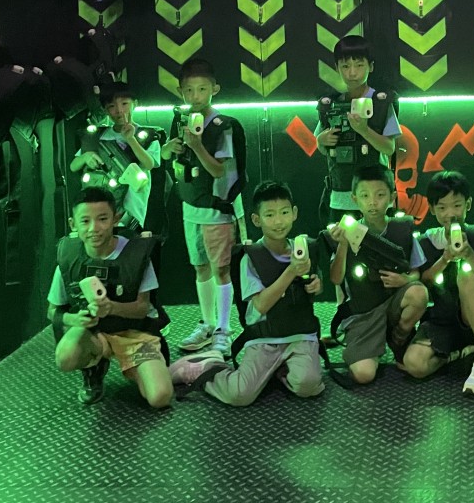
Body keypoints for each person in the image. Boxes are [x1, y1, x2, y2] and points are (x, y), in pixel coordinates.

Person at [171, 182, 326, 406]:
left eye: (284, 213)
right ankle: (206, 367)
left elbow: (314, 286)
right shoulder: (252, 257)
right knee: (240, 395)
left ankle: (280, 370)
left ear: (294, 213)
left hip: (300, 335)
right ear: (256, 219)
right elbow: (260, 305)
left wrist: (316, 285)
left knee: (309, 385)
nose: (279, 221)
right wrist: (291, 271)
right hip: (265, 338)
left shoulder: (305, 248)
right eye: (270, 215)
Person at [46, 186, 173, 408]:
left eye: (102, 219)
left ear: (116, 219)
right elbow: (52, 310)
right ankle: (94, 368)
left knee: (159, 397)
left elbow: (142, 308)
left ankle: (137, 367)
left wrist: (111, 308)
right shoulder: (68, 259)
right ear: (73, 224)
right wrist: (73, 319)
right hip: (93, 333)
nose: (94, 228)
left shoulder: (137, 255)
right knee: (65, 356)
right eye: (85, 221)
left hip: (134, 334)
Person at [165, 59, 247, 359]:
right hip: (191, 207)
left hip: (217, 211)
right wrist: (169, 149)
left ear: (215, 89)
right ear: (180, 91)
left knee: (221, 269)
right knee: (200, 268)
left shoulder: (223, 126)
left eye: (202, 89)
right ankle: (208, 323)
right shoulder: (180, 120)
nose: (195, 96)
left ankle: (225, 328)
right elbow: (168, 158)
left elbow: (218, 170)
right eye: (189, 90)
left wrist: (197, 145)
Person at [402, 171, 474, 396]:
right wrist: (445, 258)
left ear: (468, 204)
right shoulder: (426, 240)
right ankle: (460, 355)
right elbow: (423, 283)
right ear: (432, 209)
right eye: (442, 208)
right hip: (442, 320)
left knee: (466, 275)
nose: (450, 214)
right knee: (414, 364)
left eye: (457, 206)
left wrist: (469, 255)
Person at [324, 165, 428, 383]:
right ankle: (365, 344)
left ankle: (398, 337)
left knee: (418, 293)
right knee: (363, 375)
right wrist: (342, 244)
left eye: (380, 195)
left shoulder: (402, 230)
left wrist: (405, 279)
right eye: (365, 196)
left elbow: (416, 273)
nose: (372, 202)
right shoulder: (346, 231)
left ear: (392, 197)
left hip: (394, 304)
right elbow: (335, 278)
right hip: (364, 312)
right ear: (354, 199)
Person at [315, 35, 402, 221]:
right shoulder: (331, 105)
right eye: (345, 66)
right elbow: (322, 147)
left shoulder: (381, 102)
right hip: (340, 197)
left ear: (371, 66)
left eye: (359, 65)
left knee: (377, 239)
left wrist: (364, 130)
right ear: (337, 68)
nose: (352, 73)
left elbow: (389, 148)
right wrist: (321, 141)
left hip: (375, 199)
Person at [69, 83, 162, 233]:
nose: (119, 111)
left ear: (135, 104)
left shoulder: (148, 136)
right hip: (98, 210)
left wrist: (131, 139)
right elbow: (73, 166)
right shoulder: (97, 136)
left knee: (127, 243)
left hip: (131, 212)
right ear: (105, 110)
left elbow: (149, 164)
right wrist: (86, 156)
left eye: (124, 104)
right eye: (112, 106)